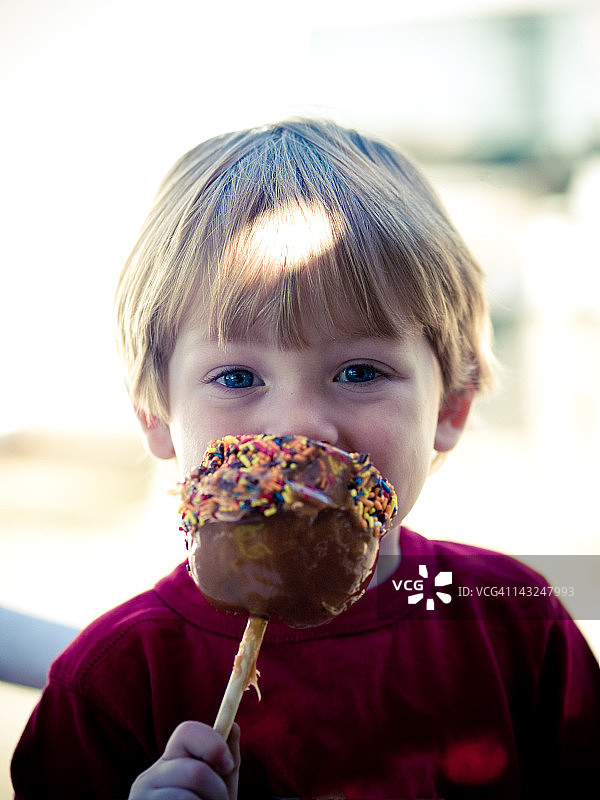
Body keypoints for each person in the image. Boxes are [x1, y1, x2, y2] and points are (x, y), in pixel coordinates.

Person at [11, 118, 599, 799]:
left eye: (358, 372)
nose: (296, 427)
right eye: (237, 377)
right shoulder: (115, 680)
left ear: (450, 406)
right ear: (157, 417)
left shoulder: (514, 621)